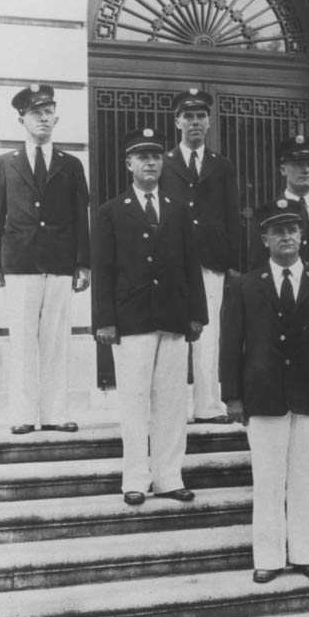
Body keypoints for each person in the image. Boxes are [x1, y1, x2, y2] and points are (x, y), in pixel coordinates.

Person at [220, 199, 309, 584]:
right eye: (277, 231)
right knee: (268, 479)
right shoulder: (244, 285)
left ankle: (308, 553)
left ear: (302, 235)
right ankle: (269, 557)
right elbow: (231, 345)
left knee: (304, 478)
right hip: (263, 396)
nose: (286, 236)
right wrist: (232, 396)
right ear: (265, 239)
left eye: (292, 229)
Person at [92, 128, 206, 506]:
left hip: (173, 318)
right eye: (142, 157)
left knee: (172, 401)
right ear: (129, 164)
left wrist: (196, 315)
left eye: (156, 157)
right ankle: (135, 479)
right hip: (132, 320)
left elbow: (192, 265)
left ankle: (169, 477)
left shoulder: (177, 209)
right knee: (134, 400)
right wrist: (104, 320)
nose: (150, 163)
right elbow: (103, 269)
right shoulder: (111, 212)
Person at [0, 83, 90, 435]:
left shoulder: (71, 165)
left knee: (57, 340)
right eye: (34, 113)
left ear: (56, 117)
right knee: (23, 340)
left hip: (59, 264)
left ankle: (57, 413)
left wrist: (83, 263)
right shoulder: (5, 165)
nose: (43, 119)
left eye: (48, 112)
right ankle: (23, 414)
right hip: (19, 262)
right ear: (21, 119)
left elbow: (79, 217)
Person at [161, 88, 241, 426]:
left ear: (208, 122)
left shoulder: (221, 165)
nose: (195, 122)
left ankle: (207, 404)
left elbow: (231, 214)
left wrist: (234, 260)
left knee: (210, 334)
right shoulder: (163, 163)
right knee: (176, 335)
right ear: (177, 120)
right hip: (175, 261)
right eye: (188, 116)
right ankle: (174, 406)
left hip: (211, 258)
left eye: (200, 116)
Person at [249, 135, 309, 299]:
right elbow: (256, 266)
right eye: (298, 164)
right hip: (280, 298)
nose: (306, 170)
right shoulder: (267, 215)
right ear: (283, 170)